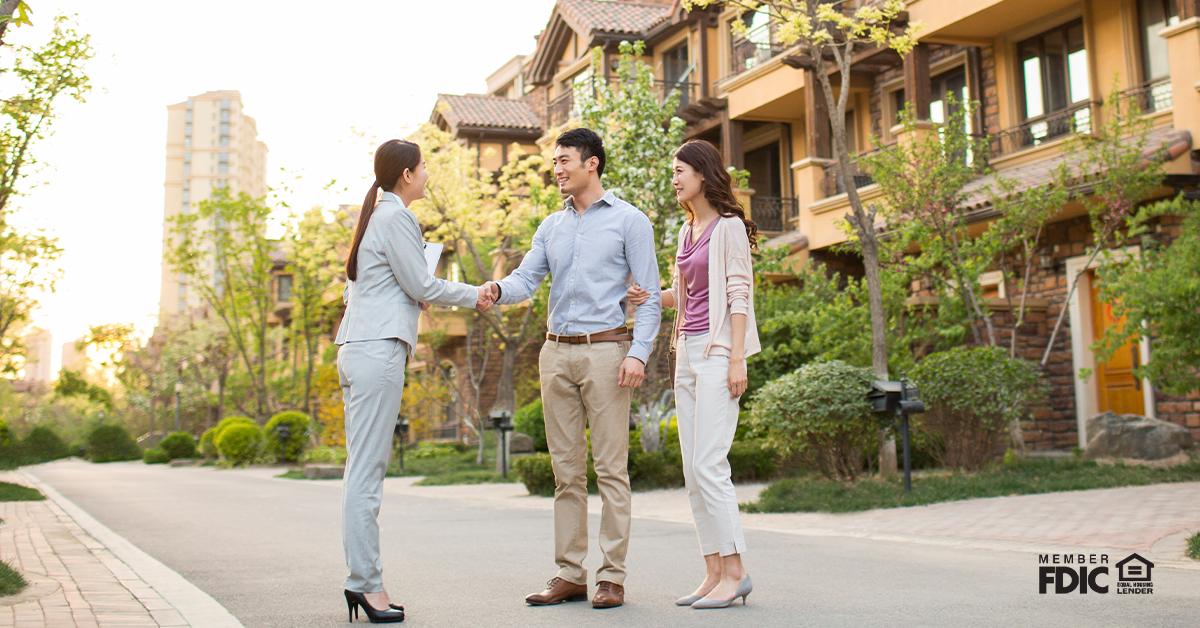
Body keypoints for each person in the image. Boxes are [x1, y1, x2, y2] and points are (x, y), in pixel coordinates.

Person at [484, 128, 661, 610]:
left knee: (611, 470)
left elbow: (648, 296)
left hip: (606, 351)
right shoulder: (550, 226)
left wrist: (638, 353)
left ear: (592, 164)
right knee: (566, 473)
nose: (557, 169)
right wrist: (496, 291)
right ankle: (569, 573)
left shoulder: (630, 222)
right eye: (555, 162)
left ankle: (611, 576)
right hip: (554, 352)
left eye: (565, 161)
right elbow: (526, 279)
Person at [335, 139, 495, 623]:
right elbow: (422, 284)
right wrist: (477, 294)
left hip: (358, 348)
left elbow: (395, 286)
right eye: (424, 166)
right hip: (378, 350)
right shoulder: (396, 217)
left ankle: (363, 580)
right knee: (366, 475)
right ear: (406, 174)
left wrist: (415, 296)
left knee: (359, 471)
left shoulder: (375, 219)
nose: (428, 174)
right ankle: (365, 583)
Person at [627, 139, 760, 609]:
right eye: (672, 171)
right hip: (685, 351)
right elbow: (686, 296)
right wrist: (648, 297)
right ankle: (713, 570)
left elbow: (739, 294)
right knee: (691, 470)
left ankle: (737, 570)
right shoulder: (688, 232)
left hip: (719, 352)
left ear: (703, 173)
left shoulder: (728, 228)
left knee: (710, 464)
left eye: (680, 169)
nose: (675, 178)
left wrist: (737, 357)